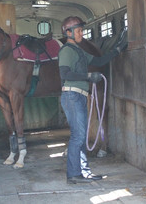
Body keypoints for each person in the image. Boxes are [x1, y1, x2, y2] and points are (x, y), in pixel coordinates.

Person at [58, 16, 126, 184]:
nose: (82, 33)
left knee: (80, 136)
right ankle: (73, 174)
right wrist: (88, 76)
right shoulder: (67, 50)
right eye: (79, 31)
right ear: (68, 32)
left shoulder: (80, 51)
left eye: (82, 30)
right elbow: (65, 74)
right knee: (78, 136)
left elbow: (99, 60)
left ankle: (83, 172)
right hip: (72, 96)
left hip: (79, 95)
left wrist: (117, 50)